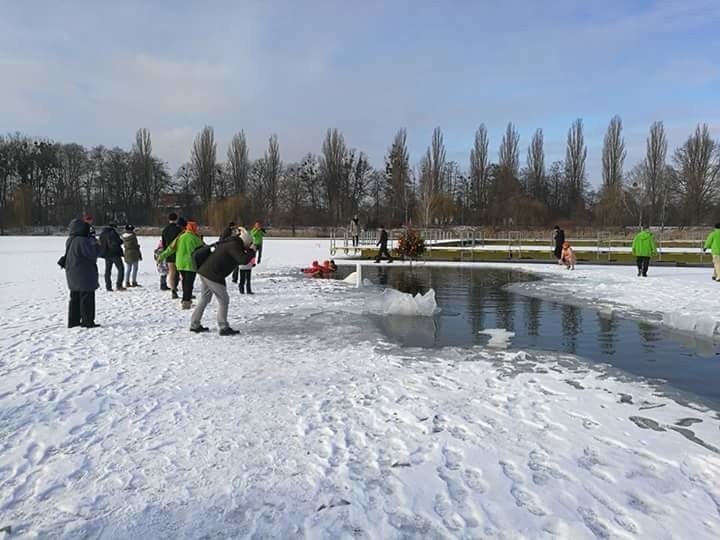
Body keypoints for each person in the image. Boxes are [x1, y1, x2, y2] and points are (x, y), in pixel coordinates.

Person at [191, 227, 253, 335]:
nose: (248, 246)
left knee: (204, 299)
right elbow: (243, 260)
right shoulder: (233, 245)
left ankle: (194, 324)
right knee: (224, 300)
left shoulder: (230, 243)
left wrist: (248, 251)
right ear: (245, 241)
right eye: (248, 244)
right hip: (213, 275)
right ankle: (223, 327)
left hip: (205, 272)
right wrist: (252, 251)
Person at [64, 218, 102, 328]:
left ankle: (73, 321)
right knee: (87, 298)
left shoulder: (70, 239)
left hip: (72, 273)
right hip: (84, 274)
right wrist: (97, 244)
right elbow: (94, 253)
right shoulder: (82, 240)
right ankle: (87, 321)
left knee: (75, 298)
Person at [159, 221, 204, 309]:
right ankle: (186, 301)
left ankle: (185, 299)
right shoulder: (196, 239)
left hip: (180, 263)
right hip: (191, 264)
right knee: (189, 283)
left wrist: (161, 256)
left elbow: (170, 249)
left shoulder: (180, 237)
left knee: (184, 281)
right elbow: (203, 250)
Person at [161, 213, 183, 299]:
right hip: (179, 253)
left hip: (169, 253)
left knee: (172, 272)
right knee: (181, 272)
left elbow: (163, 243)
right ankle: (186, 290)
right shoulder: (179, 229)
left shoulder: (165, 230)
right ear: (176, 219)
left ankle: (173, 289)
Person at [99, 223, 125, 291]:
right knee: (121, 269)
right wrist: (121, 241)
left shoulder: (102, 233)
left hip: (106, 254)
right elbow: (117, 242)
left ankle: (108, 286)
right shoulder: (113, 233)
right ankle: (119, 285)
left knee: (108, 270)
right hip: (114, 254)